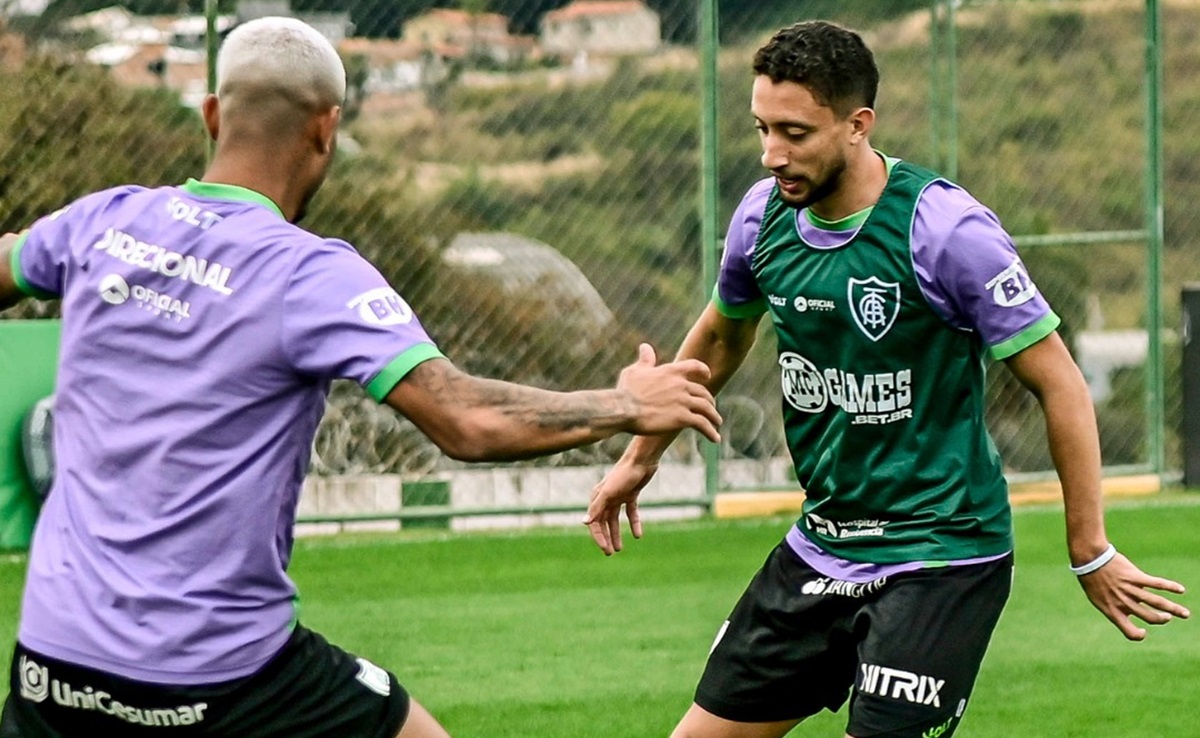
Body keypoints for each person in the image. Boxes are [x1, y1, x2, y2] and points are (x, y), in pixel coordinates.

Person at [0, 17, 723, 738]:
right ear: (327, 129)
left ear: (213, 114)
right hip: (220, 675)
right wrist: (625, 402)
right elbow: (467, 420)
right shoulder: (307, 274)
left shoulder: (105, 221)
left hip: (54, 665)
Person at [584, 20, 1189, 738]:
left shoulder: (946, 233)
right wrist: (639, 456)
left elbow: (1059, 382)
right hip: (821, 545)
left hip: (942, 554)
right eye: (761, 128)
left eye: (795, 132)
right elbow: (719, 336)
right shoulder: (761, 220)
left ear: (857, 124)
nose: (772, 154)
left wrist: (1090, 549)